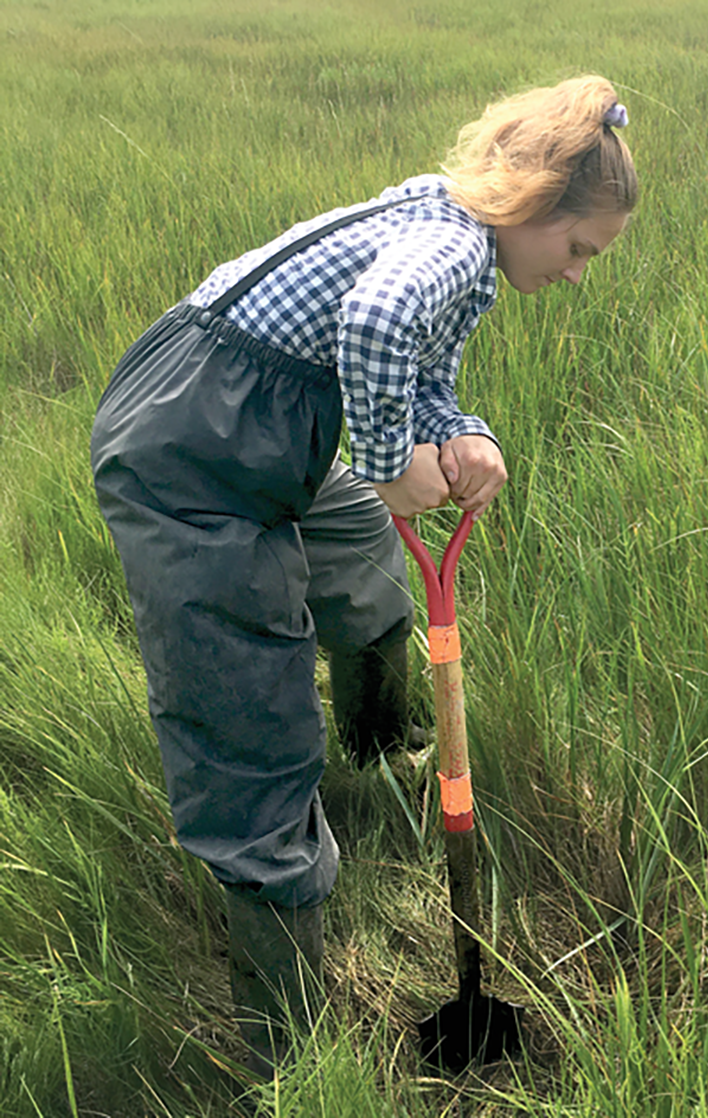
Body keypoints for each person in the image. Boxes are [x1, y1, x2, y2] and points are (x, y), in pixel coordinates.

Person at [90, 75, 637, 1077]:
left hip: (251, 424)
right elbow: (379, 323)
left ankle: (384, 765)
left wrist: (460, 435)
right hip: (191, 455)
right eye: (578, 250)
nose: (575, 275)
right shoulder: (452, 244)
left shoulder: (446, 225)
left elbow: (416, 366)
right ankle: (288, 1049)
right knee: (248, 732)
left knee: (363, 568)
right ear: (532, 211)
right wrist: (391, 463)